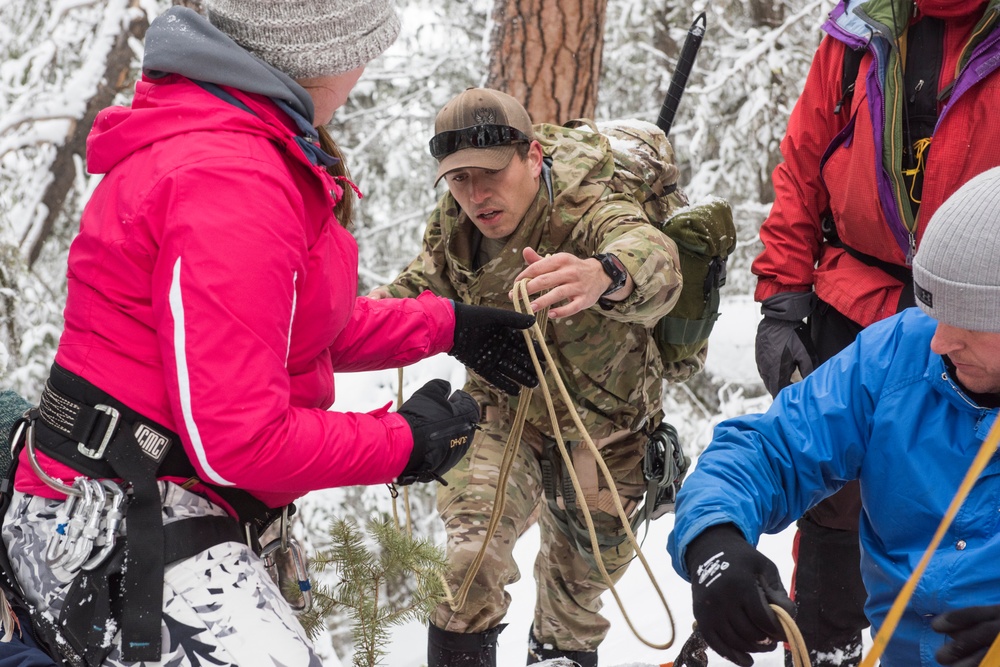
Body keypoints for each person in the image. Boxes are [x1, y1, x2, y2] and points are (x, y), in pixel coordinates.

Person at [0, 4, 539, 666]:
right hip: (112, 516)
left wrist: (446, 324)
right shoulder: (232, 177)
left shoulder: (236, 139)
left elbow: (283, 328)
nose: (368, 66)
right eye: (367, 45)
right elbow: (242, 440)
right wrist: (402, 443)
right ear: (323, 51)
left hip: (138, 490)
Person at [369, 87, 683, 667]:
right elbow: (414, 291)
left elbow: (653, 255)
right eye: (459, 179)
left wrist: (604, 274)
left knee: (574, 602)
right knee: (468, 565)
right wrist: (360, 314)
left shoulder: (587, 202)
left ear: (532, 157)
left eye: (489, 173)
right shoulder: (456, 229)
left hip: (605, 429)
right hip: (499, 413)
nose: (476, 194)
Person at [669, 166, 1000, 667]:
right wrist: (713, 538)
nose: (939, 341)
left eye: (969, 322)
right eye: (935, 312)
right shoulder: (899, 354)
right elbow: (771, 448)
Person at [750, 1, 1000, 663]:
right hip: (857, 291)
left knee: (969, 481)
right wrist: (781, 294)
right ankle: (827, 645)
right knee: (829, 490)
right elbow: (803, 161)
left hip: (987, 309)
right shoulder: (860, 29)